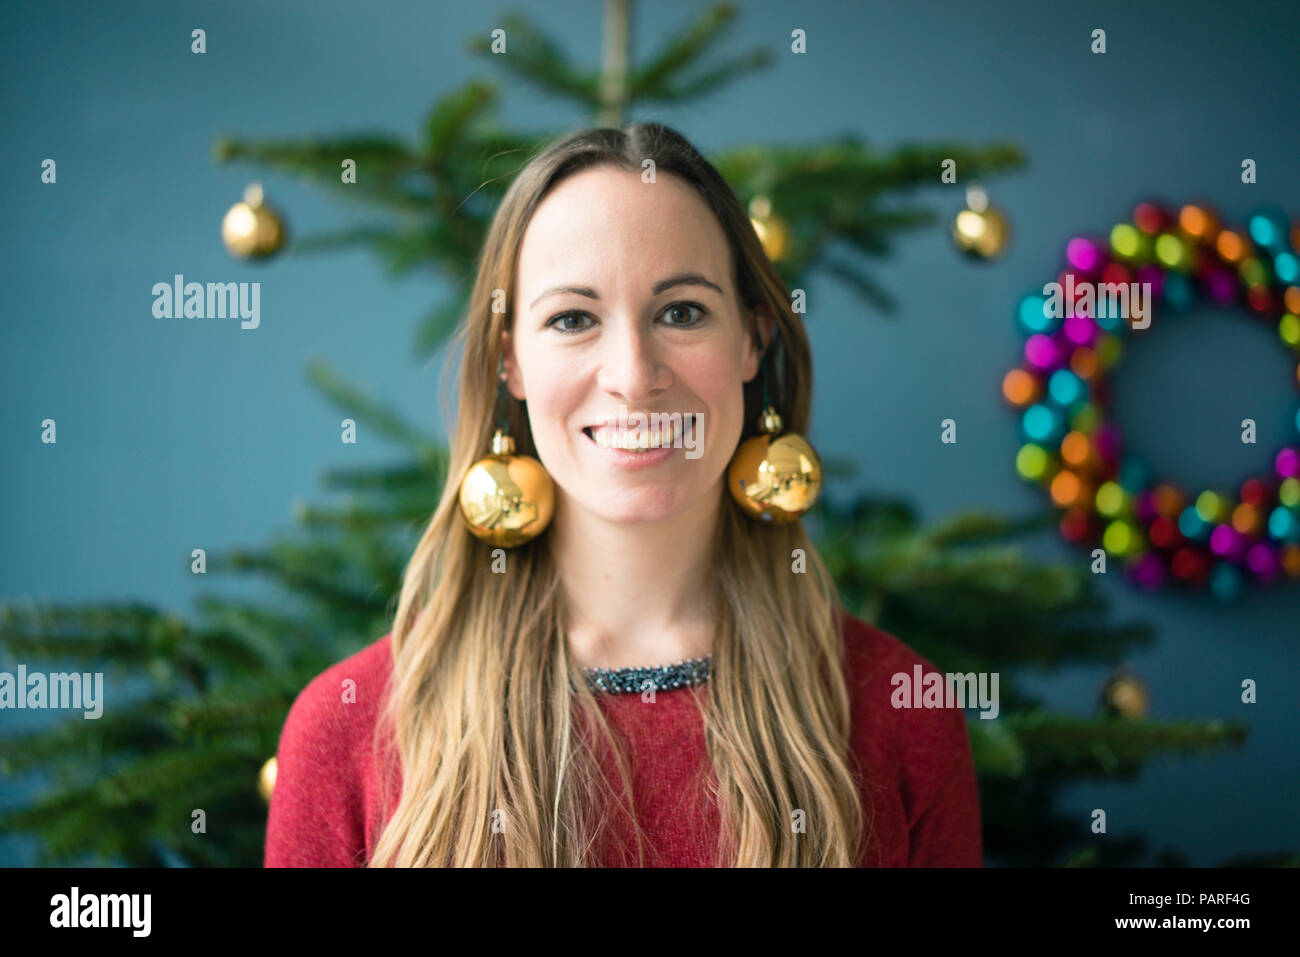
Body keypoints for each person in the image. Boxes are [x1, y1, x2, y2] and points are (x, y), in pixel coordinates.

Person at [264, 122, 982, 867]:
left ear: (752, 338)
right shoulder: (344, 731)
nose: (634, 376)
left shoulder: (904, 708)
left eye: (681, 312)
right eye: (573, 319)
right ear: (509, 360)